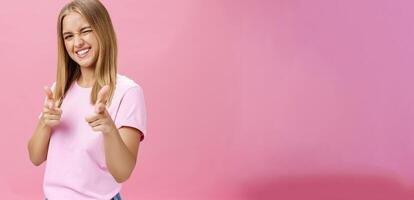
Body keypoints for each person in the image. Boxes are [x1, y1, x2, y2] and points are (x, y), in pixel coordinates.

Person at [27, 0, 147, 199]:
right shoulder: (60, 89)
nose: (77, 43)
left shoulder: (128, 92)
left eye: (85, 31)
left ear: (102, 30)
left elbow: (123, 172)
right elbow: (35, 157)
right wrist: (44, 122)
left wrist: (109, 129)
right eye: (69, 36)